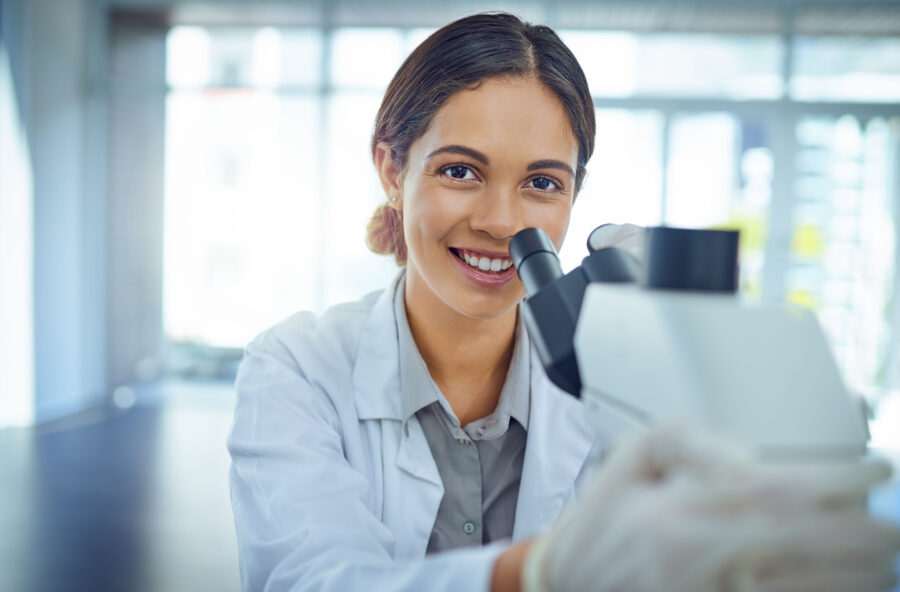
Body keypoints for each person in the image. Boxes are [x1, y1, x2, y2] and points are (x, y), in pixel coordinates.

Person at [228, 12, 900, 592]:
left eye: (541, 183)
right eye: (460, 171)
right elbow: (313, 579)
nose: (500, 221)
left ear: (574, 194)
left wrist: (746, 391)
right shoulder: (296, 368)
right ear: (393, 170)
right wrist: (544, 572)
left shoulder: (611, 375)